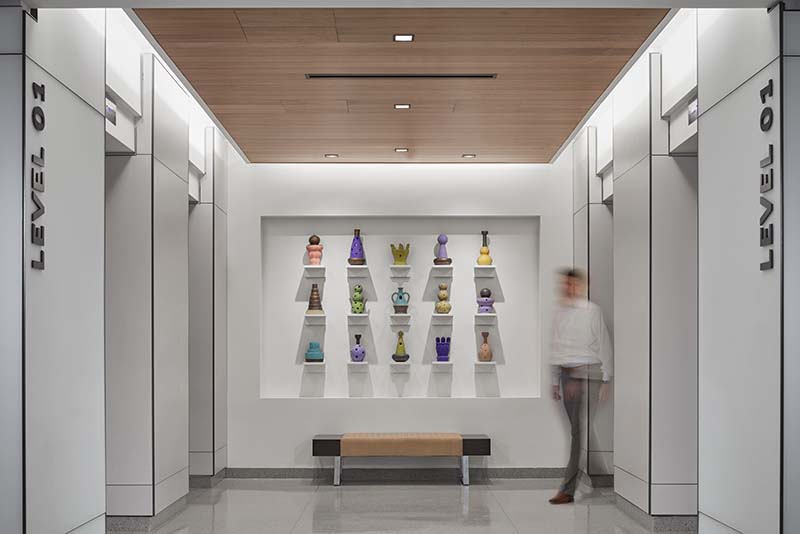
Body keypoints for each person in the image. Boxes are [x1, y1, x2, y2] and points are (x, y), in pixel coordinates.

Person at [548, 268, 612, 505]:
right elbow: (557, 346)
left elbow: (604, 343)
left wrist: (606, 378)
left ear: (582, 286)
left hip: (587, 375)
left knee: (578, 431)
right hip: (567, 376)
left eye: (574, 284)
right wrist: (555, 380)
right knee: (580, 429)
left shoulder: (592, 311)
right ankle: (598, 476)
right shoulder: (560, 312)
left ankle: (568, 489)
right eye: (566, 284)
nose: (569, 288)